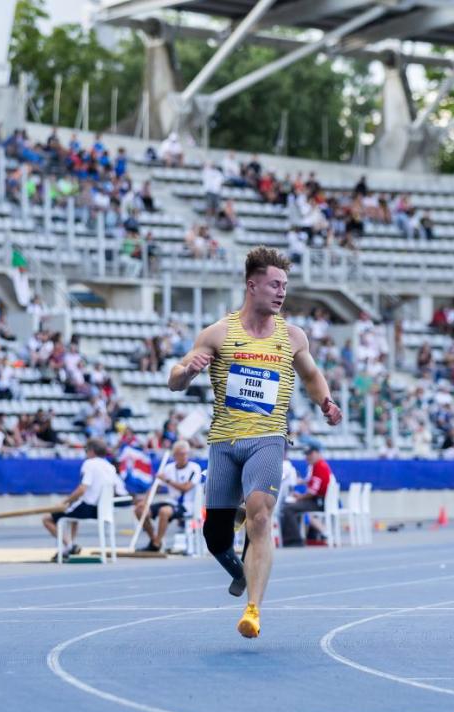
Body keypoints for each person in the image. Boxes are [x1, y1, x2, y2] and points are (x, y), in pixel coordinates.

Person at [168, 246, 342, 639]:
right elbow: (175, 378)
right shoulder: (218, 333)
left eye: (285, 285)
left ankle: (253, 610)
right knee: (215, 537)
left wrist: (326, 402)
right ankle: (238, 571)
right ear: (252, 285)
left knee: (260, 515)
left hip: (268, 438)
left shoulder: (292, 336)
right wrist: (187, 372)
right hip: (224, 442)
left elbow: (312, 375)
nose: (282, 293)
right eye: (275, 284)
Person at [43, 438, 118, 561]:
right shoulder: (110, 467)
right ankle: (69, 548)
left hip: (88, 507)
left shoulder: (89, 464)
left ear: (92, 451)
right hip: (104, 509)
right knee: (73, 516)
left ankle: (69, 545)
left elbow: (82, 489)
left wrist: (65, 502)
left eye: (86, 450)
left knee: (47, 519)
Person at [133, 439, 201, 552]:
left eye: (185, 453)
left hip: (186, 504)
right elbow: (156, 486)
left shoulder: (194, 468)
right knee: (139, 510)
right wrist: (145, 501)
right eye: (180, 454)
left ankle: (156, 544)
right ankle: (155, 540)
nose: (184, 456)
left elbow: (186, 487)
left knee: (164, 511)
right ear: (175, 455)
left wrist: (167, 480)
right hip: (172, 501)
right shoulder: (169, 468)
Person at [278, 447, 332, 546]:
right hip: (320, 500)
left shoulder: (319, 467)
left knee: (288, 508)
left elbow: (312, 492)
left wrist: (300, 497)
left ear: (317, 453)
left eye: (310, 454)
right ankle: (309, 536)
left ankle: (294, 541)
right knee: (293, 505)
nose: (308, 457)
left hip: (318, 502)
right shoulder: (321, 466)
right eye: (307, 455)